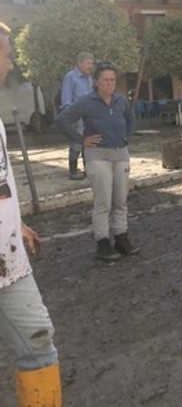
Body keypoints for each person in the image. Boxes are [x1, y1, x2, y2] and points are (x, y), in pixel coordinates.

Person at [0, 22, 62, 405]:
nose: (10, 64)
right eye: (5, 53)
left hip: (7, 257)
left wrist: (15, 222)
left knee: (39, 340)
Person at [55, 62, 139, 261]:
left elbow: (130, 118)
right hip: (97, 156)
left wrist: (127, 135)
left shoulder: (120, 100)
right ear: (96, 82)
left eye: (112, 80)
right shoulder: (86, 102)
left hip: (121, 155)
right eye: (105, 80)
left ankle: (121, 239)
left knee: (121, 201)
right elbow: (62, 120)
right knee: (103, 203)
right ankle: (103, 244)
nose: (109, 84)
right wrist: (81, 140)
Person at [60, 52, 95, 180]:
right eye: (88, 63)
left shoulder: (89, 78)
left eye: (92, 63)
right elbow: (66, 98)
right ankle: (73, 172)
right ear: (80, 63)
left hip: (89, 115)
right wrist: (70, 117)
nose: (91, 66)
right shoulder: (71, 77)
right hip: (77, 115)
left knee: (89, 142)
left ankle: (88, 169)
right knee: (76, 142)